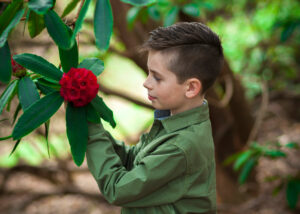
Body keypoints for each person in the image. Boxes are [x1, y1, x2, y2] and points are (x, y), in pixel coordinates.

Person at [86, 22, 224, 214]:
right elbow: (134, 161)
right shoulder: (174, 121)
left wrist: (90, 131)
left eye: (157, 77)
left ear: (191, 87)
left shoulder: (180, 146)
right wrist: (87, 119)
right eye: (149, 72)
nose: (146, 83)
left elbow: (117, 189)